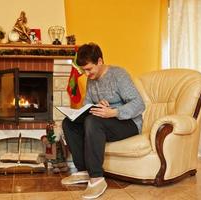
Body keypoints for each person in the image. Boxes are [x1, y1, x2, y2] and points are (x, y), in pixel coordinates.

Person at [61, 43, 145, 199]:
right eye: (83, 70)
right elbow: (87, 105)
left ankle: (97, 178)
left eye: (89, 69)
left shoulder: (118, 75)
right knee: (68, 123)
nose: (86, 74)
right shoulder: (91, 79)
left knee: (93, 122)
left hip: (129, 123)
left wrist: (113, 112)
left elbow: (139, 104)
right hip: (103, 121)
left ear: (99, 61)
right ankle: (84, 171)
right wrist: (95, 106)